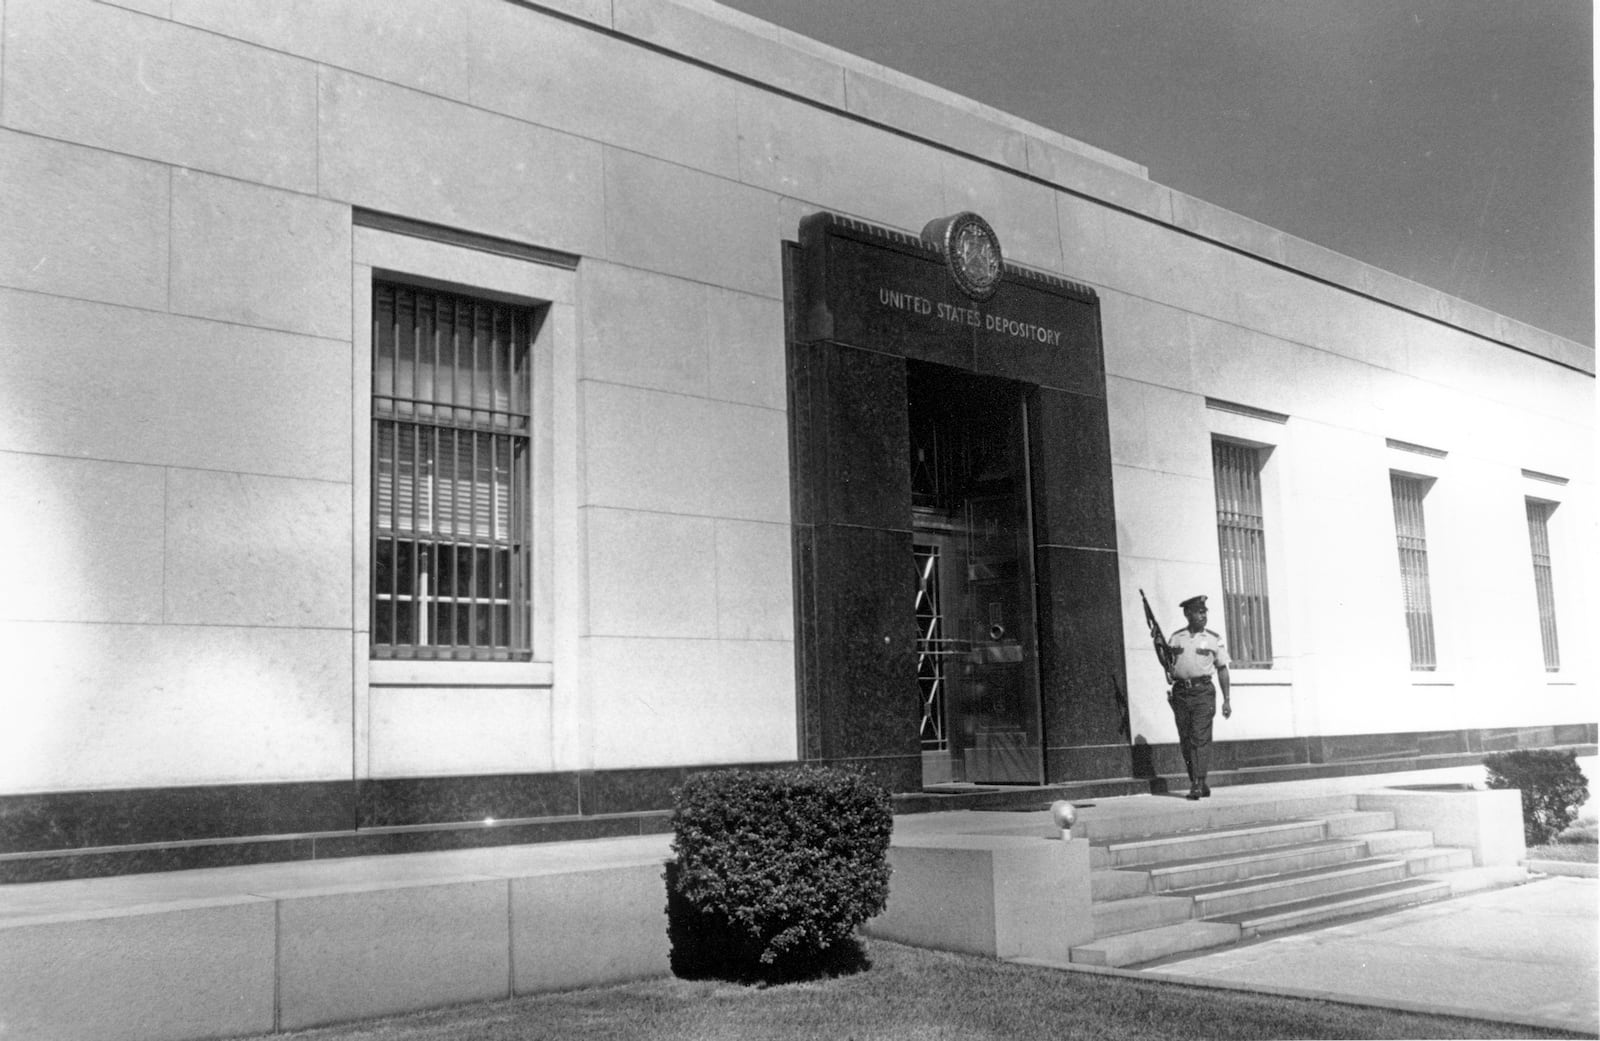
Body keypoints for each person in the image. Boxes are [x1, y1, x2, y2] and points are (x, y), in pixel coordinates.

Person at [1167, 594, 1231, 800]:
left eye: (1205, 611)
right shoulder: (1176, 638)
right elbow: (1167, 663)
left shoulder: (1213, 639)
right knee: (1185, 738)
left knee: (1199, 737)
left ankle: (1197, 782)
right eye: (1199, 611)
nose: (1203, 615)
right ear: (1188, 613)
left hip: (1203, 692)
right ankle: (1198, 781)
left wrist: (1226, 699)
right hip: (1181, 693)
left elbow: (1222, 669)